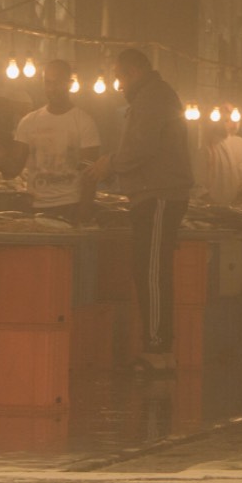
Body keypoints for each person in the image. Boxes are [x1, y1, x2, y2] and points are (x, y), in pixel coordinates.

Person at [88, 48, 193, 371]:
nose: (118, 84)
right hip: (150, 195)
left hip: (158, 195)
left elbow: (142, 146)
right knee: (148, 269)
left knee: (152, 271)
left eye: (119, 77)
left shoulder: (153, 97)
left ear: (134, 71)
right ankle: (159, 348)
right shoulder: (151, 97)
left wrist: (110, 164)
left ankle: (158, 350)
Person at [0, 59, 101, 222]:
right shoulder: (29, 122)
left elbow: (90, 175)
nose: (52, 89)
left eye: (57, 83)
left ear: (70, 84)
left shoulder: (84, 122)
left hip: (70, 207)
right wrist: (0, 156)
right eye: (48, 83)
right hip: (35, 207)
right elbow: (12, 171)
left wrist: (83, 214)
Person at [194, 103, 242, 206]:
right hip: (215, 208)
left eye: (236, 120)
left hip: (239, 206)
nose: (234, 124)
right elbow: (198, 185)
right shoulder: (207, 147)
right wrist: (212, 204)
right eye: (227, 120)